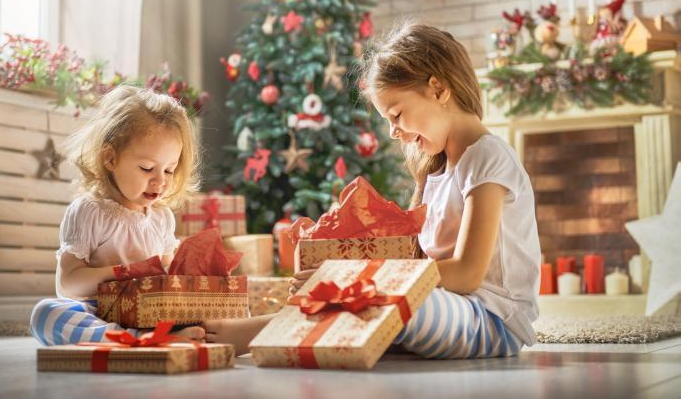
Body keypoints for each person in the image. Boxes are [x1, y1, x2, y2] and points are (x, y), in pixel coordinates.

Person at [206, 22, 541, 359]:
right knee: (364, 297)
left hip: (492, 320)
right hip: (444, 309)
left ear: (438, 90)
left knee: (377, 296)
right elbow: (415, 264)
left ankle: (259, 332)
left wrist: (354, 279)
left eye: (396, 115)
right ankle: (269, 330)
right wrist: (335, 278)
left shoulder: (487, 156)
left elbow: (467, 274)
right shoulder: (434, 172)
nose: (393, 132)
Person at [30, 85, 205, 345]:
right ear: (110, 159)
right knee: (45, 315)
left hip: (149, 310)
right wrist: (123, 272)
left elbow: (170, 272)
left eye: (169, 170)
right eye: (147, 168)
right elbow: (67, 285)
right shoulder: (91, 212)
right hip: (101, 311)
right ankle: (138, 339)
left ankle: (165, 335)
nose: (160, 181)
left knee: (213, 311)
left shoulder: (161, 217)